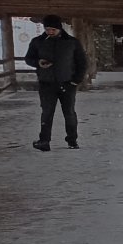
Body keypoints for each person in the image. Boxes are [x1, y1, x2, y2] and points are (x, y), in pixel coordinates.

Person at [24, 15, 87, 151]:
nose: (50, 32)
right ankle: (44, 141)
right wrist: (38, 63)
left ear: (59, 28)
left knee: (69, 113)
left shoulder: (72, 42)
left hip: (67, 83)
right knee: (46, 112)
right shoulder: (37, 42)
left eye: (53, 29)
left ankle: (72, 140)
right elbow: (29, 58)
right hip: (46, 83)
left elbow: (82, 62)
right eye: (47, 29)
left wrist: (76, 80)